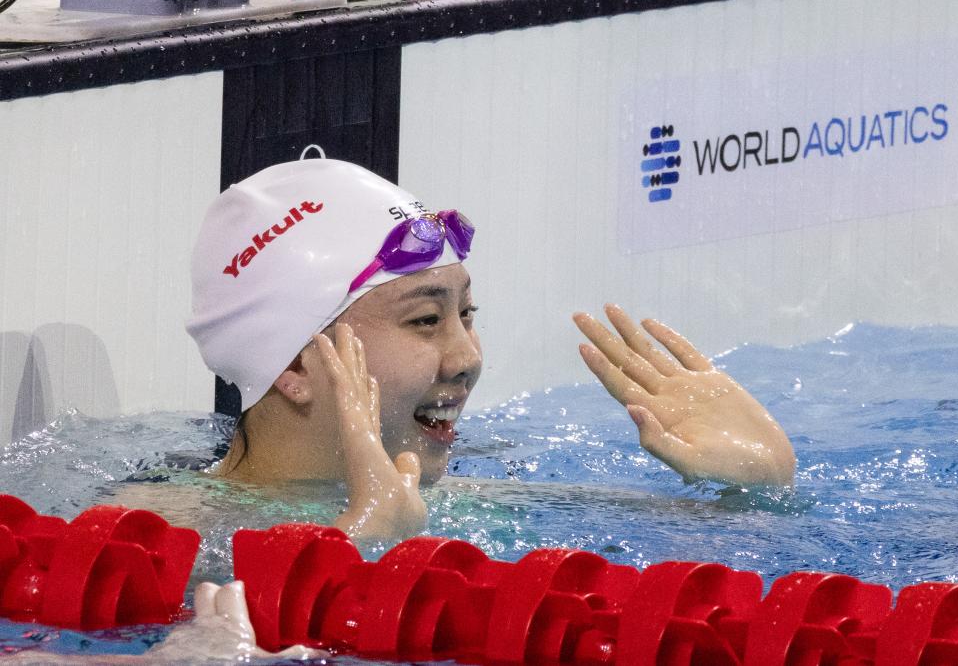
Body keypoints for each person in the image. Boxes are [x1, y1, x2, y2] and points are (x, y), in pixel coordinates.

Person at [186, 154, 796, 541]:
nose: (468, 358)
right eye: (426, 320)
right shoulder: (168, 535)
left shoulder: (481, 509)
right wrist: (362, 542)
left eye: (467, 314)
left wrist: (759, 488)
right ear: (297, 363)